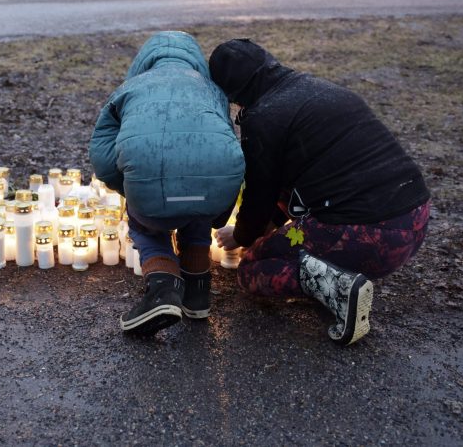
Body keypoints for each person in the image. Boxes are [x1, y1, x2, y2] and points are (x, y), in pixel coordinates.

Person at [208, 39, 430, 345]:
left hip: (370, 235)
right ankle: (334, 274)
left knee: (252, 269)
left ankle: (338, 288)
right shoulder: (315, 88)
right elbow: (279, 190)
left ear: (231, 92)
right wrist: (265, 229)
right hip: (415, 217)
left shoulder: (264, 117)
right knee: (282, 234)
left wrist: (244, 237)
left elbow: (260, 194)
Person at [90, 31, 245, 335]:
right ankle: (197, 292)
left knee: (145, 226)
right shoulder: (213, 91)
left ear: (144, 61)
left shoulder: (128, 89)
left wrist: (131, 190)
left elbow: (102, 157)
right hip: (213, 197)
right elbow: (224, 144)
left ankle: (163, 290)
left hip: (151, 198)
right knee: (197, 208)